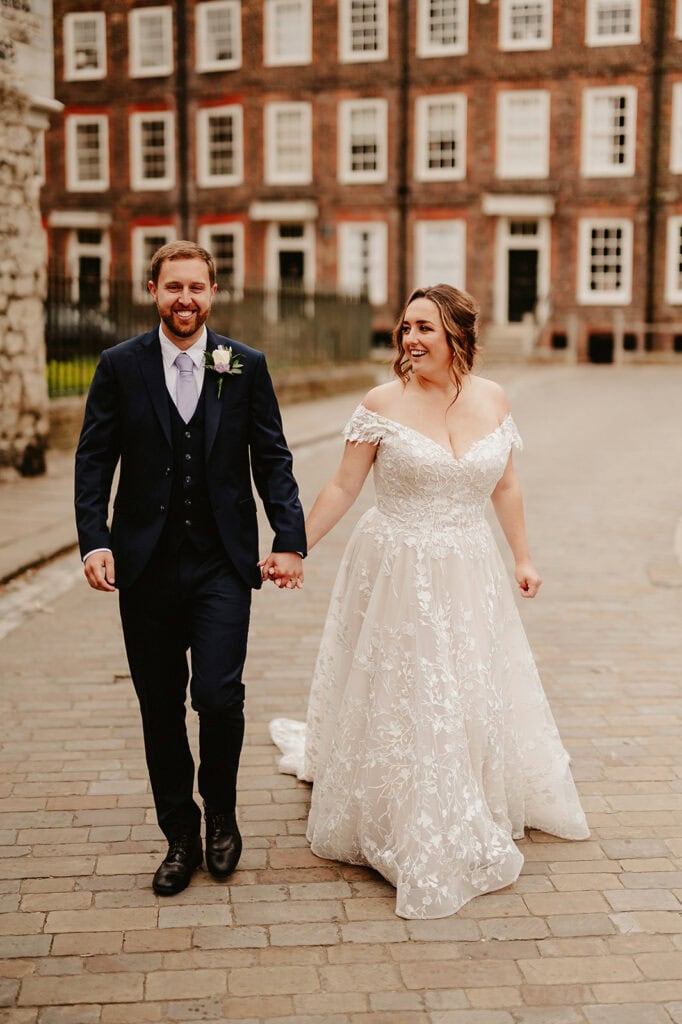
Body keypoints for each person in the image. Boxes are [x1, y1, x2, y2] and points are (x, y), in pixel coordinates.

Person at [270, 284, 589, 919]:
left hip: (470, 564)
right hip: (397, 563)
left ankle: (469, 779)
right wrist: (293, 547)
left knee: (469, 680)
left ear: (458, 337)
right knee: (412, 686)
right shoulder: (381, 403)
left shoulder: (494, 398)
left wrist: (522, 557)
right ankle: (407, 805)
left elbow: (507, 485)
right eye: (406, 327)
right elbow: (342, 484)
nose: (411, 339)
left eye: (426, 329)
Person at [75, 241, 306, 897]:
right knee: (159, 706)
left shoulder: (244, 365)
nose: (185, 300)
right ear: (153, 289)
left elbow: (273, 458)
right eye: (173, 286)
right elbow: (94, 462)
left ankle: (223, 815)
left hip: (222, 565)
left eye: (197, 288)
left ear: (213, 292)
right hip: (143, 568)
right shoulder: (120, 366)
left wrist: (288, 538)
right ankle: (180, 833)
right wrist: (95, 539)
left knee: (217, 696)